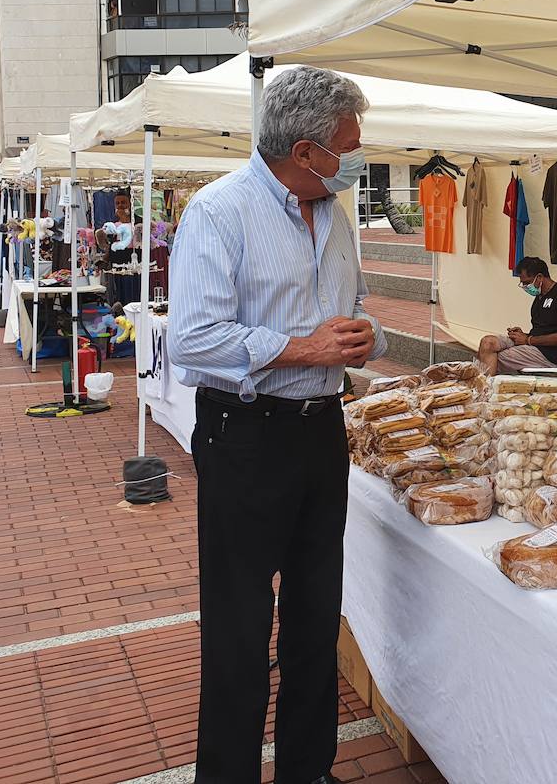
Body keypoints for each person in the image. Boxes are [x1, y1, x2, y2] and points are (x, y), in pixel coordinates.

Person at [169, 66, 386, 784]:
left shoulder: (336, 215)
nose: (357, 157)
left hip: (322, 432)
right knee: (238, 627)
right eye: (348, 146)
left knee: (316, 619)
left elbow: (353, 311)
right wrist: (302, 348)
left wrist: (366, 337)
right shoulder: (219, 211)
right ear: (305, 151)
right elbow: (192, 338)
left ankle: (308, 770)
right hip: (246, 435)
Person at [477, 256, 557, 375]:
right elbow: (541, 331)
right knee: (487, 343)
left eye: (526, 282)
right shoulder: (539, 298)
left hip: (552, 356)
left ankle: (485, 385)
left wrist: (528, 340)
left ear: (539, 277)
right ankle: (483, 382)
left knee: (494, 358)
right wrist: (523, 336)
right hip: (534, 346)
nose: (524, 286)